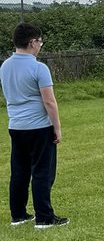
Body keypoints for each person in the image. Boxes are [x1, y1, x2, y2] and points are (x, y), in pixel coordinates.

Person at [0, 23, 67, 228]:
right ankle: (44, 217)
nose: (40, 45)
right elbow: (49, 101)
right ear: (32, 42)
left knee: (19, 171)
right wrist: (56, 127)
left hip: (16, 126)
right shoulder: (39, 67)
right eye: (39, 42)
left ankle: (18, 215)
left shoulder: (5, 66)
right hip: (39, 127)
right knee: (42, 171)